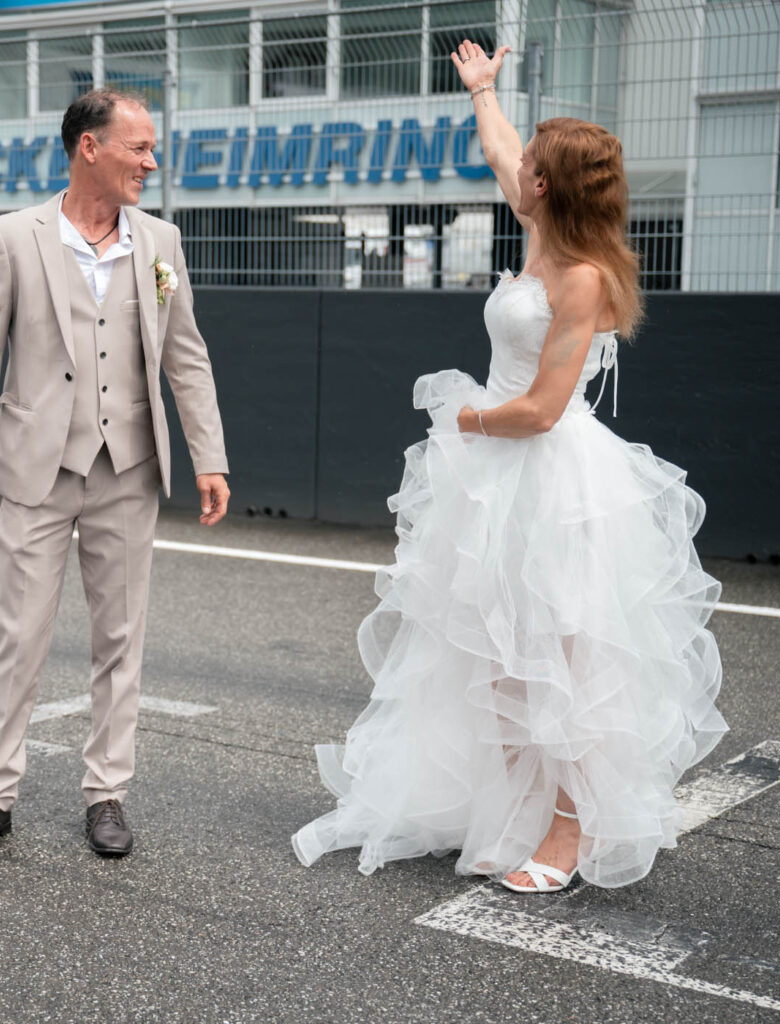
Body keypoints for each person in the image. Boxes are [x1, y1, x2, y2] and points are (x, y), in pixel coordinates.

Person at [292, 43, 726, 891]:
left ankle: (566, 834)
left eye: (530, 163)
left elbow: (543, 411)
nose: (515, 164)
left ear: (549, 187)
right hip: (493, 477)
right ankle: (515, 814)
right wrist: (484, 91)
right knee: (497, 661)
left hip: (547, 476)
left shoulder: (584, 278)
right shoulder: (537, 229)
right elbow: (497, 147)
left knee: (557, 663)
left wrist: (467, 418)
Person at [0, 89, 229, 859]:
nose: (152, 161)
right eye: (138, 147)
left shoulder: (161, 241)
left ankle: (106, 794)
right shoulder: (12, 238)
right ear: (89, 149)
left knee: (121, 640)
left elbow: (186, 355)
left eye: (152, 148)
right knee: (19, 640)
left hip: (129, 469)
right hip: (35, 470)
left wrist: (210, 456)